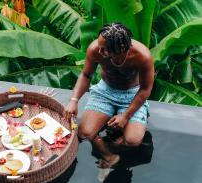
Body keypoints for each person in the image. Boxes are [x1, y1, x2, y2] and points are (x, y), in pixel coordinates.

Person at [65, 23, 154, 168]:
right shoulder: (95, 49)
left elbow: (145, 89)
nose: (98, 50)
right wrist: (74, 100)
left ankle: (110, 144)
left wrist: (125, 116)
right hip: (105, 91)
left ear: (122, 49)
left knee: (132, 140)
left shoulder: (142, 56)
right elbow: (86, 75)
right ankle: (108, 155)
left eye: (104, 49)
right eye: (99, 46)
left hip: (132, 94)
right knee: (84, 133)